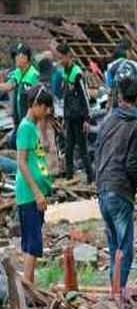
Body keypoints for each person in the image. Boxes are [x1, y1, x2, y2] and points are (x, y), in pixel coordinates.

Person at [95, 60, 137, 297]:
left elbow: (98, 152)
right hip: (119, 190)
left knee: (115, 247)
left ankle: (114, 293)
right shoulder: (136, 127)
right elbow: (133, 167)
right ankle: (119, 295)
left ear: (120, 95)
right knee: (124, 249)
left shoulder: (109, 120)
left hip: (102, 188)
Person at [15, 85, 54, 284]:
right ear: (35, 105)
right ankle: (27, 288)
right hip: (29, 195)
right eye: (45, 107)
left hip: (33, 194)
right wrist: (37, 192)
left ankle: (28, 286)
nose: (47, 112)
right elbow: (21, 162)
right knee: (33, 244)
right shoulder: (25, 128)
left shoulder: (32, 127)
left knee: (32, 243)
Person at [56, 44, 93, 182]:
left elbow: (86, 97)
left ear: (67, 56)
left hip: (79, 117)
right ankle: (69, 176)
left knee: (83, 149)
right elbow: (66, 96)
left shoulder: (77, 73)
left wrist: (87, 119)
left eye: (60, 58)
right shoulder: (65, 72)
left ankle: (90, 177)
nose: (59, 61)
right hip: (69, 116)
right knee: (68, 148)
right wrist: (64, 117)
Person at [0, 44, 40, 131]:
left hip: (29, 120)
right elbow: (8, 86)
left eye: (19, 55)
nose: (16, 58)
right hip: (18, 118)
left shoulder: (34, 75)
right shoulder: (18, 72)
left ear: (26, 58)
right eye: (16, 55)